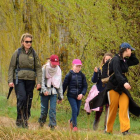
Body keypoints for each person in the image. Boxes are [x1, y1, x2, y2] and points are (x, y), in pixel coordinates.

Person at [89, 42, 140, 135]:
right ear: (126, 49)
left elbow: (136, 61)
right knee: (113, 109)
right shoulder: (115, 59)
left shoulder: (124, 60)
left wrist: (129, 54)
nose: (131, 51)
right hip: (113, 87)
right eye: (130, 50)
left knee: (124, 107)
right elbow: (117, 73)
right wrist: (125, 82)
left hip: (121, 88)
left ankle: (125, 130)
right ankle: (108, 130)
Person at [8, 33, 42, 128]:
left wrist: (39, 82)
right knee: (22, 98)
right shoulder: (17, 53)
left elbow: (39, 69)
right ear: (22, 42)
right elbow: (11, 67)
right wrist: (10, 81)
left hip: (31, 80)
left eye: (30, 41)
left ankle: (25, 120)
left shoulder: (34, 54)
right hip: (19, 79)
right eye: (27, 41)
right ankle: (19, 119)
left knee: (28, 100)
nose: (29, 43)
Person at [84, 53, 113, 130]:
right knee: (99, 110)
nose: (107, 61)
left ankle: (106, 126)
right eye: (106, 59)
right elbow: (94, 80)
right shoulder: (99, 70)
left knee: (108, 110)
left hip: (109, 92)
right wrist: (96, 73)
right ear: (104, 60)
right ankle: (96, 123)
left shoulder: (113, 71)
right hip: (100, 92)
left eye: (109, 59)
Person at [38, 55, 63, 130]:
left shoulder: (58, 70)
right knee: (44, 111)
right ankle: (41, 123)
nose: (55, 65)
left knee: (52, 109)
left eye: (56, 63)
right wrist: (44, 90)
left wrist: (60, 96)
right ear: (50, 62)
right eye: (53, 63)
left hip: (54, 92)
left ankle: (52, 126)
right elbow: (41, 80)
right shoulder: (44, 68)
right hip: (45, 91)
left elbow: (59, 83)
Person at [63, 59, 88, 131]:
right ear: (73, 66)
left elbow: (85, 86)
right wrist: (60, 96)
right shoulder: (69, 75)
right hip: (71, 96)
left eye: (80, 67)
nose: (78, 68)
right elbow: (64, 86)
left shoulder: (82, 75)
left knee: (77, 112)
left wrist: (82, 94)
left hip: (79, 96)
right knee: (74, 109)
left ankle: (71, 121)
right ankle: (75, 126)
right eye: (77, 66)